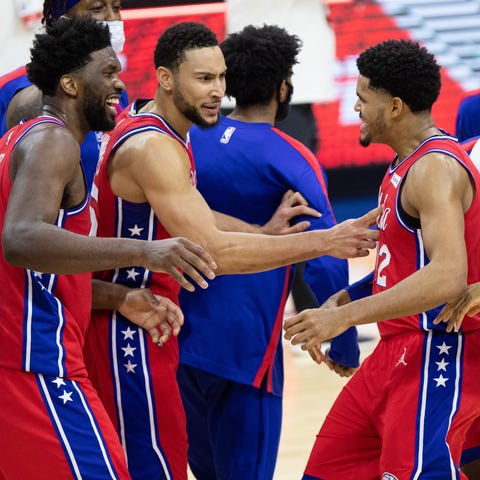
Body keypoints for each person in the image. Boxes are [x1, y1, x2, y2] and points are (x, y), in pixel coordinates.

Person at [84, 21, 380, 480]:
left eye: (220, 78)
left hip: (176, 334)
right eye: (204, 79)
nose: (216, 90)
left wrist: (265, 232)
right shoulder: (169, 147)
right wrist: (338, 323)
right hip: (199, 337)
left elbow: (197, 214)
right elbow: (222, 249)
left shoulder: (173, 133)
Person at [0, 16, 221, 479]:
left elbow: (39, 264)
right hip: (35, 361)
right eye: (107, 73)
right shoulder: (52, 141)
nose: (120, 83)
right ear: (70, 84)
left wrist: (120, 297)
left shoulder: (19, 140)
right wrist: (145, 252)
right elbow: (21, 240)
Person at [284, 39, 480, 479]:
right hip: (397, 350)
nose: (355, 107)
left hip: (439, 351)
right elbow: (406, 269)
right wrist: (341, 300)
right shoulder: (402, 165)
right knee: (326, 471)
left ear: (393, 107)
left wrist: (346, 316)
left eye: (361, 98)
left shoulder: (434, 168)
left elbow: (448, 276)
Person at [176, 24, 357, 480]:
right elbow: (326, 251)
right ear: (283, 87)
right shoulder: (289, 155)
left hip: (178, 338)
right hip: (246, 348)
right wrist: (344, 339)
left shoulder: (184, 140)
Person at [0, 0, 129, 190]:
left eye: (116, 8)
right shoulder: (15, 90)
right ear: (63, 20)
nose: (112, 18)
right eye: (97, 8)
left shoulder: (110, 87)